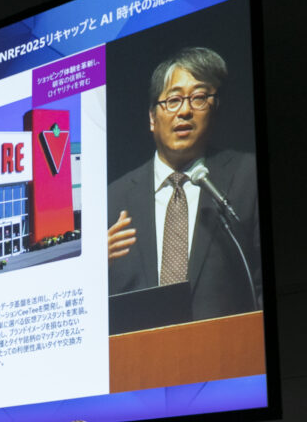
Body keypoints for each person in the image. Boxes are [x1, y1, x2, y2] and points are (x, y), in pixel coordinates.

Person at [107, 46, 261, 321]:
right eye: (173, 100)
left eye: (199, 98)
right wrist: (92, 268)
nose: (185, 111)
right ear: (152, 118)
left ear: (215, 109)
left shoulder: (247, 176)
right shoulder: (112, 199)